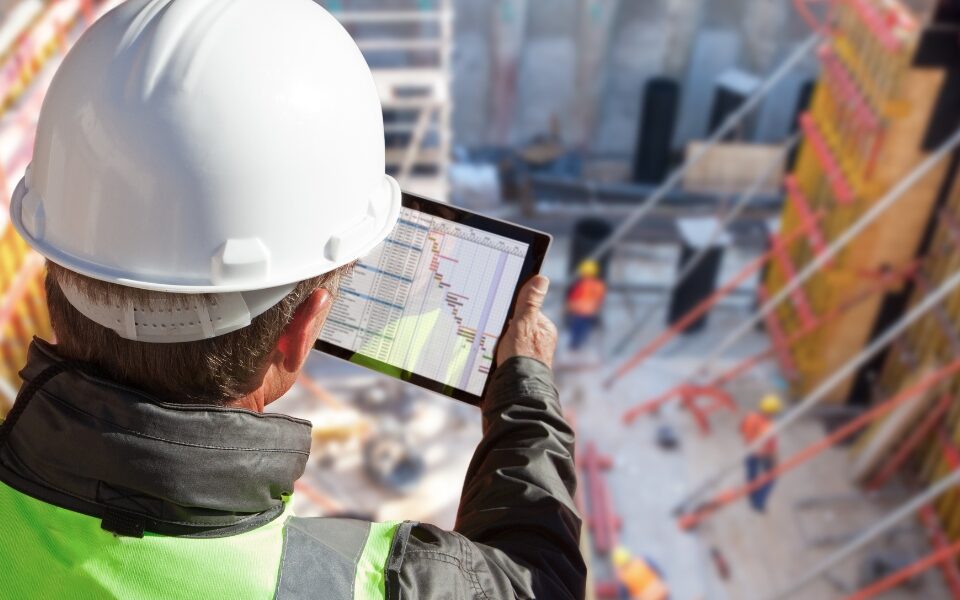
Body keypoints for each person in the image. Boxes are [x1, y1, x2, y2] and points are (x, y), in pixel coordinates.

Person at [0, 1, 585, 598]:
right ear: (299, 329)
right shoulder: (363, 584)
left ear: (56, 263)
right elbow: (539, 580)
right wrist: (526, 389)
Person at [739, 393, 783, 512]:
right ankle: (758, 502)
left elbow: (741, 428)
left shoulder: (750, 416)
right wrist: (775, 460)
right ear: (771, 411)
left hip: (749, 450)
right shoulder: (768, 426)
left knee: (751, 475)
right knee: (771, 477)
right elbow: (772, 446)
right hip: (763, 454)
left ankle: (752, 497)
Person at [566, 259, 607, 350]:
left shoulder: (582, 284)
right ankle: (580, 346)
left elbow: (574, 297)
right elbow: (600, 299)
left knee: (576, 331)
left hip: (579, 311)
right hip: (590, 312)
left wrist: (568, 306)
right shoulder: (599, 285)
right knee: (584, 331)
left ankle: (575, 347)